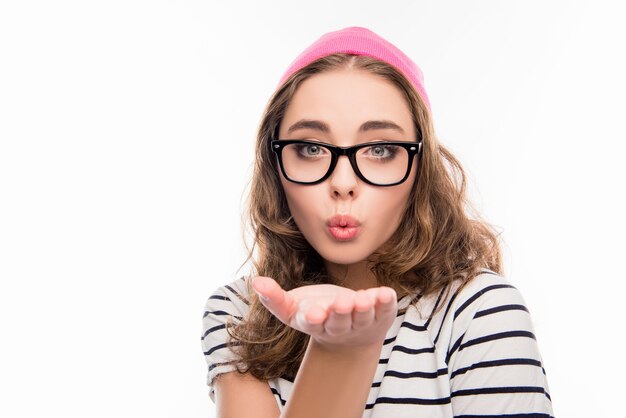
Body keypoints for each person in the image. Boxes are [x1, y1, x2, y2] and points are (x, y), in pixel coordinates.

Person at [200, 26, 554, 418]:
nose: (343, 184)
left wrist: (348, 346)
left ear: (420, 167)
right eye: (311, 148)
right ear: (275, 164)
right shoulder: (240, 311)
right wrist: (339, 352)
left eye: (381, 149)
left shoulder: (478, 311)